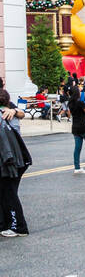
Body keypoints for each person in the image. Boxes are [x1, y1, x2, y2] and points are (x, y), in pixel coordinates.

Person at [0, 90, 30, 235]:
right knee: (6, 192)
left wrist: (14, 110)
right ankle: (6, 223)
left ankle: (19, 226)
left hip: (13, 158)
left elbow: (21, 113)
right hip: (16, 156)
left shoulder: (6, 112)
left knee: (10, 192)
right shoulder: (6, 110)